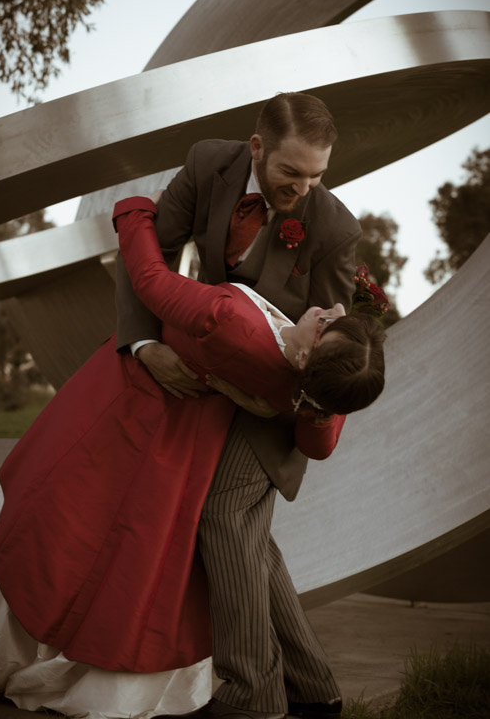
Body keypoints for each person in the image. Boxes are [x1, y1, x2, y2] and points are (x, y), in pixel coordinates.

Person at [0, 194, 385, 719]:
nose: (334, 305)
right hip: (194, 438)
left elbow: (152, 283)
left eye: (330, 321)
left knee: (75, 523)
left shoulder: (233, 322)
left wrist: (133, 213)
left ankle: (259, 699)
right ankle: (313, 691)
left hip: (131, 410)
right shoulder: (310, 389)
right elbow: (321, 438)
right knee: (244, 551)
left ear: (310, 347)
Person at [113, 93, 368, 719]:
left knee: (226, 518)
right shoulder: (207, 164)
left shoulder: (333, 227)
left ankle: (250, 699)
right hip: (206, 372)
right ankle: (314, 693)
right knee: (249, 541)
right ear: (257, 149)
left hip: (281, 405)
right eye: (292, 173)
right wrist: (144, 344)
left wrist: (306, 427)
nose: (304, 189)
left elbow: (333, 350)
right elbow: (146, 259)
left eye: (317, 175)